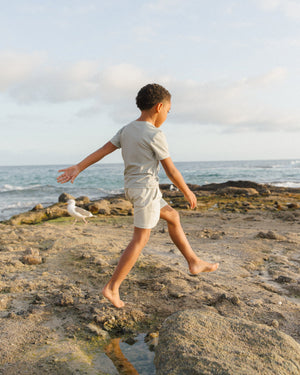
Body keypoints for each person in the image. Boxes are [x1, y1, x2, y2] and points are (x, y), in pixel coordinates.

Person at [57, 83, 219, 308]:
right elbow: (171, 170)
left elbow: (103, 150)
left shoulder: (127, 129)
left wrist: (78, 167)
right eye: (168, 112)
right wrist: (187, 191)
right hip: (145, 192)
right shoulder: (155, 134)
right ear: (159, 107)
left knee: (172, 217)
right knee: (140, 239)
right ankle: (112, 288)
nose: (167, 116)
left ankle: (193, 262)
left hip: (133, 189)